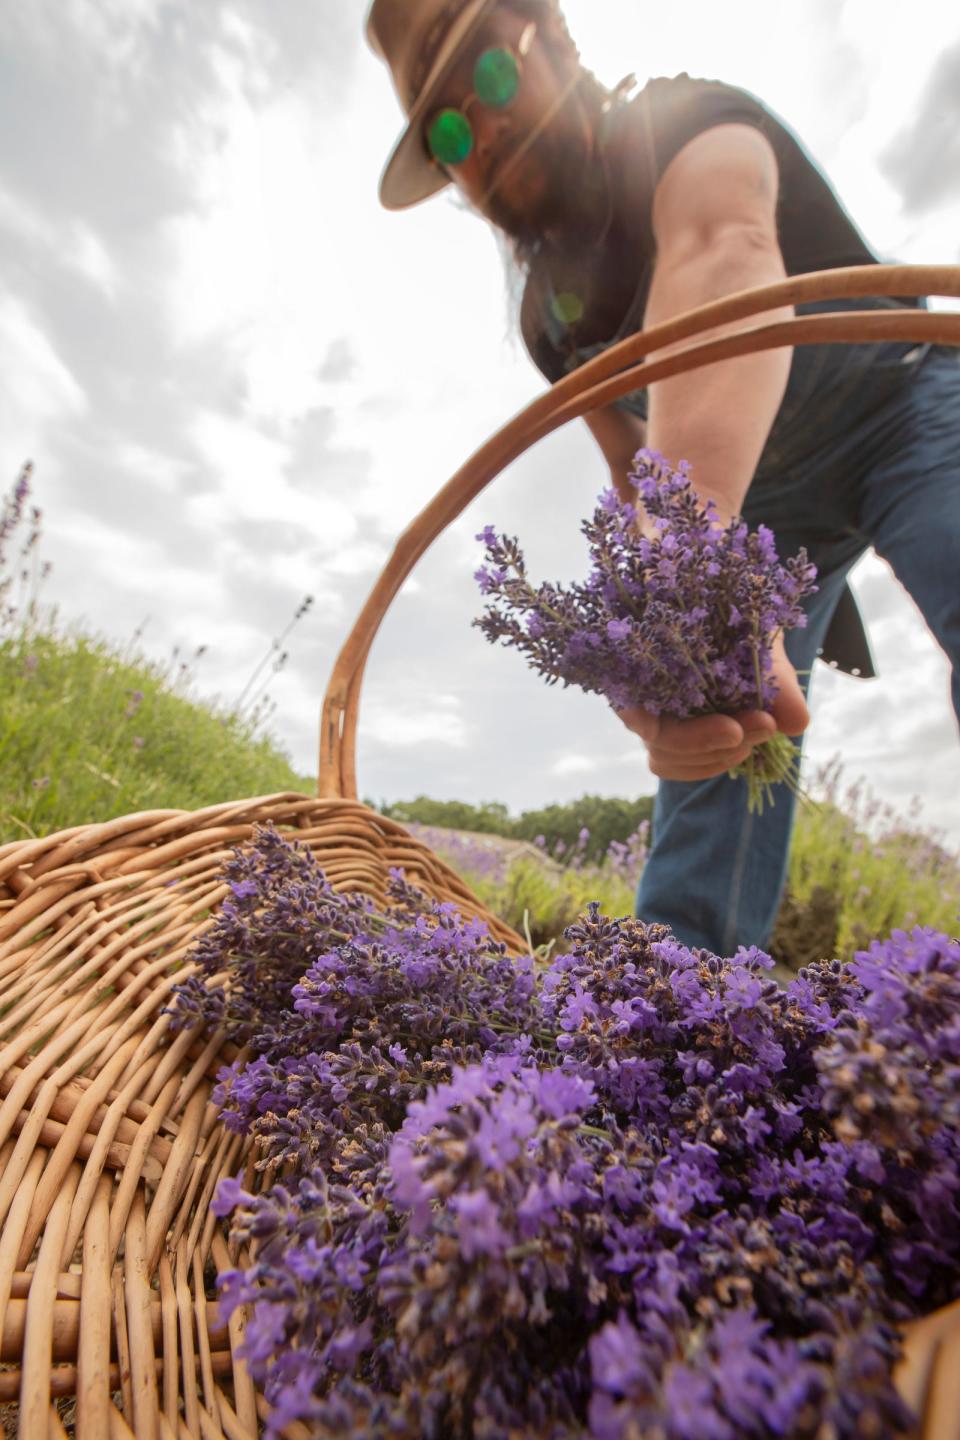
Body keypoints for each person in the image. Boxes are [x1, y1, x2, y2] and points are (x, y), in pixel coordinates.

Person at [365, 0, 960, 957]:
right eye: (445, 134)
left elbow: (721, 251)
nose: (481, 130)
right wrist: (658, 631)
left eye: (490, 76)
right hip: (765, 505)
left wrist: (691, 550)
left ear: (552, 36)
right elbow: (632, 469)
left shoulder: (683, 118)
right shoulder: (546, 321)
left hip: (898, 404)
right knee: (715, 745)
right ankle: (671, 1006)